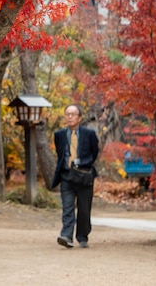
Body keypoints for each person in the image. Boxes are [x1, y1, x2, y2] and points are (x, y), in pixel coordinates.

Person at [52, 104, 100, 248]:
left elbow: (95, 151)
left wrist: (85, 163)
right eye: (67, 114)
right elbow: (60, 154)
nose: (70, 117)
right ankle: (66, 236)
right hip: (66, 174)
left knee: (84, 209)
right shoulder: (59, 135)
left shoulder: (89, 134)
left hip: (84, 175)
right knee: (67, 207)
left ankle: (82, 236)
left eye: (73, 114)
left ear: (79, 118)